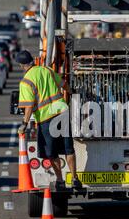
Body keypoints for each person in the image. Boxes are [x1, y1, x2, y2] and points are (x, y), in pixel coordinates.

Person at [16, 50, 81, 190]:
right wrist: (72, 93)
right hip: (62, 111)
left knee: (51, 152)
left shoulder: (26, 82)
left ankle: (60, 180)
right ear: (32, 60)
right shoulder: (47, 70)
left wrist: (24, 124)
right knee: (68, 149)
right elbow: (63, 84)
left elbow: (28, 106)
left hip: (46, 118)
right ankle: (75, 179)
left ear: (21, 65)